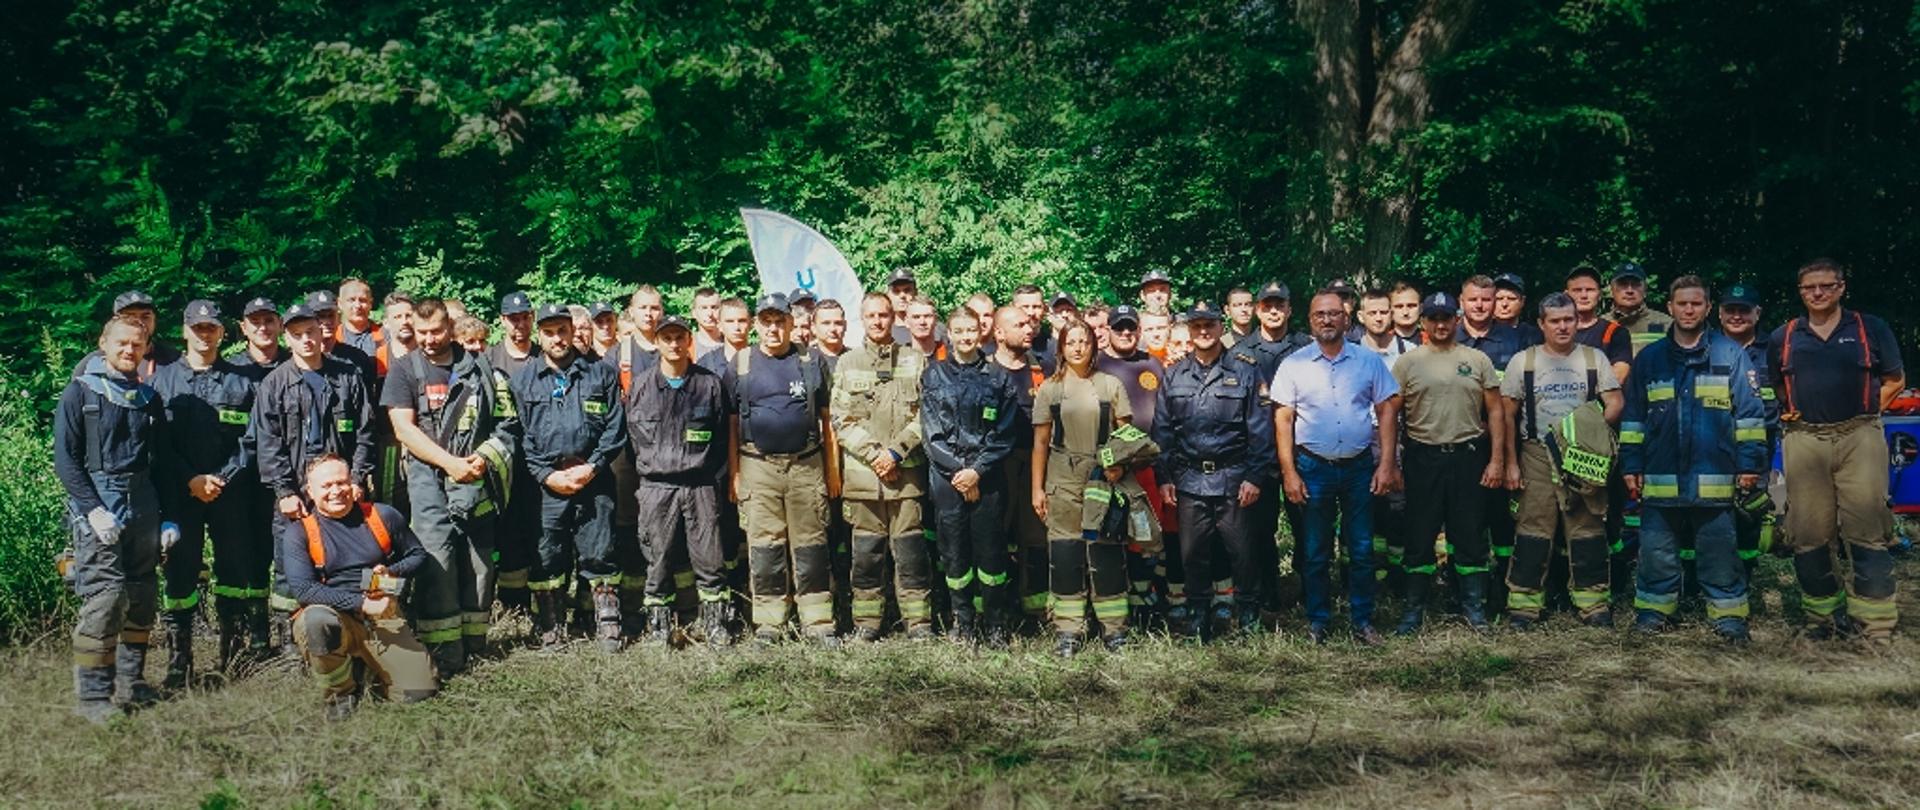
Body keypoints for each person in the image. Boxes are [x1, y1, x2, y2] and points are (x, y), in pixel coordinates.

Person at [1619, 276, 1768, 643]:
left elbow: (1750, 415)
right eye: (1682, 303)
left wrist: (1749, 465)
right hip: (1660, 474)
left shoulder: (1730, 354)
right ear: (1669, 307)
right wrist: (1631, 464)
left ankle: (1729, 615)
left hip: (1714, 474)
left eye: (1696, 303)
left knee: (1719, 550)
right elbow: (1634, 416)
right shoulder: (1651, 358)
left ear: (1707, 308)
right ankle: (1654, 611)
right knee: (1656, 550)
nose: (1688, 310)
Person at [1768, 258, 1905, 643]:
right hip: (1805, 438)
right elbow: (1776, 385)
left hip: (1859, 435)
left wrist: (1868, 409)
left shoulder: (1869, 328)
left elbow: (1896, 379)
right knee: (1808, 532)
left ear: (1841, 287)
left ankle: (1875, 625)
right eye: (1809, 287)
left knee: (1867, 527)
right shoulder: (1784, 336)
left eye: (1826, 286)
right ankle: (1823, 619)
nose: (1818, 293)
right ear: (1800, 292)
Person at [384, 299, 518, 672]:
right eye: (422, 332)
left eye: (437, 331)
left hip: (476, 475)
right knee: (437, 558)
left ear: (450, 327)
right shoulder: (403, 370)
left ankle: (475, 644)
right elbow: (403, 429)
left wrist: (483, 459)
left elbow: (507, 422)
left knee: (478, 559)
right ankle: (444, 652)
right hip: (428, 477)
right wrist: (450, 464)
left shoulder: (480, 367)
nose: (429, 339)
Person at [1273, 291, 1402, 645]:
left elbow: (1387, 410)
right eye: (1320, 315)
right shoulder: (1294, 364)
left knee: (1361, 548)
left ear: (1346, 319)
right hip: (1313, 467)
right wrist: (1289, 473)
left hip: (1359, 467)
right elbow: (1283, 420)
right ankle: (1318, 620)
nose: (1327, 320)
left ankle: (1363, 620)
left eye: (1333, 314)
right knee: (1316, 551)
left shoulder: (1367, 361)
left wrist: (1386, 464)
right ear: (1310, 320)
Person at [57, 315, 168, 722]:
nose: (129, 350)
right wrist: (92, 509)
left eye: (137, 344)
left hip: (145, 504)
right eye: (121, 342)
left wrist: (168, 519)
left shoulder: (149, 399)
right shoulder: (80, 393)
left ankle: (131, 681)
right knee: (105, 598)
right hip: (99, 504)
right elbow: (66, 461)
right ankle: (93, 697)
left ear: (146, 349)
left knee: (141, 596)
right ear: (103, 343)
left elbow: (162, 464)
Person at [254, 301, 376, 658]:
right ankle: (291, 646)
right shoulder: (275, 383)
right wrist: (284, 491)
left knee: (347, 558)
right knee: (288, 568)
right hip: (296, 490)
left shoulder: (347, 376)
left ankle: (350, 636)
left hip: (340, 489)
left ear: (323, 332)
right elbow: (268, 442)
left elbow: (366, 433)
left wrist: (357, 478)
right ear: (287, 339)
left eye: (311, 332)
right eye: (297, 335)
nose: (306, 339)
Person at [151, 301, 264, 687]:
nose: (204, 334)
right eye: (197, 327)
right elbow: (158, 444)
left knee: (233, 571)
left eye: (211, 327)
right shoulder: (162, 381)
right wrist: (190, 479)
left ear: (222, 333)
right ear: (185, 331)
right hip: (180, 495)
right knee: (179, 574)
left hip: (229, 495)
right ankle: (178, 661)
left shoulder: (242, 382)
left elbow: (252, 440)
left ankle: (232, 656)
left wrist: (221, 478)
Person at [506, 303, 628, 650]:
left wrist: (593, 466)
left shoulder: (601, 374)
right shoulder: (523, 380)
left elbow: (615, 428)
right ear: (539, 335)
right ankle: (551, 626)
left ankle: (607, 624)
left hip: (594, 479)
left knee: (600, 551)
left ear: (573, 331)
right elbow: (519, 435)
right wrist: (546, 475)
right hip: (546, 486)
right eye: (549, 332)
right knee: (547, 556)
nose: (557, 339)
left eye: (563, 330)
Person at [1500, 292, 1623, 629]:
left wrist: (1591, 433)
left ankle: (1593, 603)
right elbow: (1506, 416)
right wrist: (1510, 463)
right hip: (1536, 454)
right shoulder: (1523, 362)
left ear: (1577, 321)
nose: (1563, 326)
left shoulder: (1594, 358)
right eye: (1555, 321)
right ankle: (1524, 605)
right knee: (1533, 528)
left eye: (1569, 319)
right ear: (1542, 324)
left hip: (1581, 457)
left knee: (1587, 528)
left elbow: (1615, 401)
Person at [1153, 302, 1274, 639]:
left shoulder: (1245, 371)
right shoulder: (1174, 375)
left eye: (1209, 325)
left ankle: (1248, 613)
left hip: (1234, 479)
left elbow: (1261, 430)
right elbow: (1162, 432)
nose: (1203, 331)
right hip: (1189, 480)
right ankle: (1198, 614)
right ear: (1189, 331)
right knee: (1193, 554)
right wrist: (1164, 477)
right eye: (1197, 326)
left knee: (1243, 552)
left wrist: (1254, 477)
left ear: (1221, 328)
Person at [283, 454, 435, 720]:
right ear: (310, 492)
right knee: (316, 622)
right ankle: (340, 694)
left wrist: (393, 571)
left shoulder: (382, 515)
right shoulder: (299, 533)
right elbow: (304, 590)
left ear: (352, 483)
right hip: (333, 615)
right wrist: (363, 604)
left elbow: (419, 556)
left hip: (383, 615)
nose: (336, 491)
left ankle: (364, 666)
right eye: (326, 486)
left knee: (417, 692)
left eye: (341, 482)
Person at [1389, 292, 1505, 634]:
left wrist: (1497, 460)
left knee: (1470, 535)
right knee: (1419, 535)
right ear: (1423, 322)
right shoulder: (1408, 363)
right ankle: (1413, 611)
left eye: (1446, 318)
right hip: (1422, 458)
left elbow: (1496, 411)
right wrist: (1391, 463)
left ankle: (1473, 608)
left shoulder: (1477, 359)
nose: (1440, 325)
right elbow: (1390, 414)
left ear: (1457, 320)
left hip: (1468, 457)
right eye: (1433, 318)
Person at [728, 293, 839, 646]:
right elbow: (731, 424)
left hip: (806, 466)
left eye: (780, 322)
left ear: (792, 323)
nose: (774, 329)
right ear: (756, 325)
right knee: (765, 547)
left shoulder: (811, 360)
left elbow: (827, 419)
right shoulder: (741, 363)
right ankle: (770, 623)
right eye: (767, 322)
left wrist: (832, 470)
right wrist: (735, 475)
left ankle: (818, 621)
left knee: (811, 545)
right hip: (757, 467)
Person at [1033, 319, 1142, 656]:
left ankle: (1114, 631)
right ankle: (1069, 630)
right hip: (1062, 481)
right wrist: (1037, 489)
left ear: (1094, 346)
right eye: (1071, 342)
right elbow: (1040, 443)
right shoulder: (1050, 390)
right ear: (1061, 348)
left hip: (1102, 479)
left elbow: (1127, 437)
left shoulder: (1110, 385)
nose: (1078, 348)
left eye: (1084, 341)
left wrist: (1120, 466)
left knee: (1106, 553)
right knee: (1066, 555)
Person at [625, 315, 733, 647]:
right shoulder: (641, 387)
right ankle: (659, 627)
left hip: (700, 485)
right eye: (667, 338)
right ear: (657, 342)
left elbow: (721, 439)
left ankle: (715, 625)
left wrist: (706, 473)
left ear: (689, 341)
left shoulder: (709, 385)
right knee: (657, 559)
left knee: (710, 558)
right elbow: (631, 442)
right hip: (656, 487)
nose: (673, 344)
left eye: (679, 338)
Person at [830, 292, 932, 642]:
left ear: (893, 318)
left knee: (911, 553)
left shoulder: (915, 360)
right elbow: (840, 419)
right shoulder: (848, 363)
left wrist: (896, 453)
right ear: (862, 319)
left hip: (906, 477)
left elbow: (926, 415)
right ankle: (867, 623)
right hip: (863, 478)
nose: (878, 321)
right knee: (866, 555)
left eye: (884, 315)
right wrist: (876, 455)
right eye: (871, 315)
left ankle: (918, 622)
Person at [921, 306, 1021, 648]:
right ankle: (963, 623)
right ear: (949, 334)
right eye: (959, 331)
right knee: (954, 554)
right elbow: (931, 435)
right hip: (947, 481)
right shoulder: (933, 375)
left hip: (987, 479)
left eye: (971, 330)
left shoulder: (998, 377)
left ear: (982, 332)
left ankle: (995, 625)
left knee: (991, 554)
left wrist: (976, 472)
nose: (966, 337)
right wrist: (959, 474)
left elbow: (1004, 434)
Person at [1096, 305, 1174, 626]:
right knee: (1110, 534)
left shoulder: (1152, 364)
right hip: (1110, 468)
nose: (1126, 333)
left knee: (1146, 536)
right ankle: (1115, 602)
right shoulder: (1096, 364)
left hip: (1147, 467)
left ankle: (1145, 600)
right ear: (1108, 331)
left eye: (1131, 328)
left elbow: (1166, 416)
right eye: (1119, 328)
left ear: (1139, 331)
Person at [990, 305, 1051, 626]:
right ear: (999, 333)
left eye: (1029, 324)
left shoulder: (1043, 369)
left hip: (1035, 466)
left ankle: (1036, 610)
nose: (1029, 329)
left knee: (1036, 539)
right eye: (1019, 325)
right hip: (995, 467)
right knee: (995, 537)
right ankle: (997, 609)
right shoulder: (984, 371)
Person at [1717, 283, 1780, 580]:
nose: (1736, 316)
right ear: (1719, 313)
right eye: (1730, 310)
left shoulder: (1775, 349)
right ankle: (1710, 573)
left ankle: (1745, 571)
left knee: (1750, 508)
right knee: (1712, 509)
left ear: (1757, 313)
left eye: (1744, 310)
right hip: (1714, 442)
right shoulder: (1706, 347)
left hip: (1758, 442)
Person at [485, 291, 540, 621]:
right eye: (513, 318)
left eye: (524, 317)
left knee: (538, 529)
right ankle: (511, 604)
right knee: (505, 532)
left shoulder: (543, 356)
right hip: (502, 459)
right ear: (502, 321)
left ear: (532, 318)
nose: (519, 323)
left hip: (540, 458)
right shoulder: (489, 358)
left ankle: (542, 600)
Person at [1565, 265, 1632, 382]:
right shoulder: (1552, 331)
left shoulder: (1615, 332)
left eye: (1590, 290)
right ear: (1566, 295)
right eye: (1577, 290)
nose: (1584, 295)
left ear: (1600, 294)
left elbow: (1619, 375)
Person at [1604, 262, 1673, 358]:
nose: (1629, 291)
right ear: (1612, 290)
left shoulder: (1666, 324)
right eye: (1623, 284)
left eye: (1636, 285)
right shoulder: (1601, 325)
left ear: (1645, 291)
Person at [1357, 288, 1415, 364]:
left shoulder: (1410, 352)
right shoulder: (1350, 353)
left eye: (1383, 312)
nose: (1378, 318)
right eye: (1372, 313)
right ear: (1361, 317)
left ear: (1392, 315)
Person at [337, 278, 382, 357]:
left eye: (363, 300)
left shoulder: (385, 337)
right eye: (351, 300)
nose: (357, 306)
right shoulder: (331, 339)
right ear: (340, 304)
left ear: (370, 303)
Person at [691, 287, 725, 358]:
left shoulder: (732, 343)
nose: (709, 313)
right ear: (694, 313)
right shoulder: (687, 345)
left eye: (714, 307)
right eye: (704, 308)